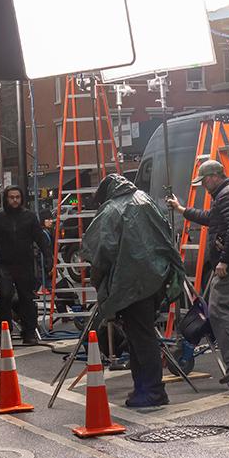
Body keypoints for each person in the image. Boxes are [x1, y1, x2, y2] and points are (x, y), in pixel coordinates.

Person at [82, 174, 184, 408]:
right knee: (141, 336)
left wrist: (98, 282)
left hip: (129, 284)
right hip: (155, 279)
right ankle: (143, 388)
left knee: (142, 338)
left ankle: (153, 390)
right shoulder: (145, 200)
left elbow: (100, 252)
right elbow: (166, 235)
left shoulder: (111, 211)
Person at [167, 160, 229, 385]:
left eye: (204, 181)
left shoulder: (228, 195)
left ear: (213, 177)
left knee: (218, 310)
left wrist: (225, 261)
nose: (204, 186)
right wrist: (183, 211)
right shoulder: (227, 194)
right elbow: (212, 218)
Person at [0, 185, 52, 345]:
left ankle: (29, 333)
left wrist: (48, 256)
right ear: (6, 199)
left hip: (25, 263)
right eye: (11, 197)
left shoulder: (29, 217)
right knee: (5, 297)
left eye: (17, 197)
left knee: (27, 298)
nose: (15, 200)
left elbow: (40, 238)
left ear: (21, 199)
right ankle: (4, 331)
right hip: (3, 264)